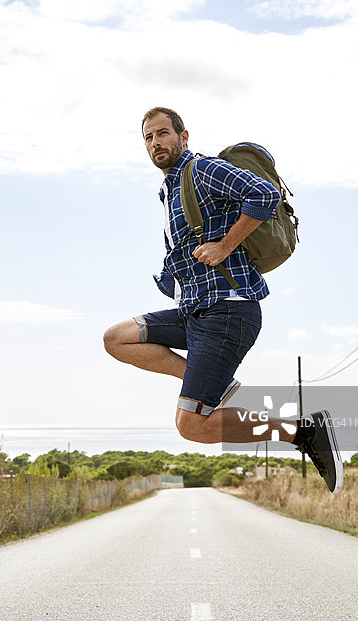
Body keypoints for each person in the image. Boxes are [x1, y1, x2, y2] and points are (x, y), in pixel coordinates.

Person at [103, 107, 343, 493]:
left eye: (163, 133)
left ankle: (302, 431)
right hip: (195, 310)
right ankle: (212, 377)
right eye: (148, 138)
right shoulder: (169, 189)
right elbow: (186, 252)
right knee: (117, 338)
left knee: (192, 427)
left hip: (228, 309)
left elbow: (263, 194)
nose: (155, 143)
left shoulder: (201, 170)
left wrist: (225, 245)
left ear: (183, 137)